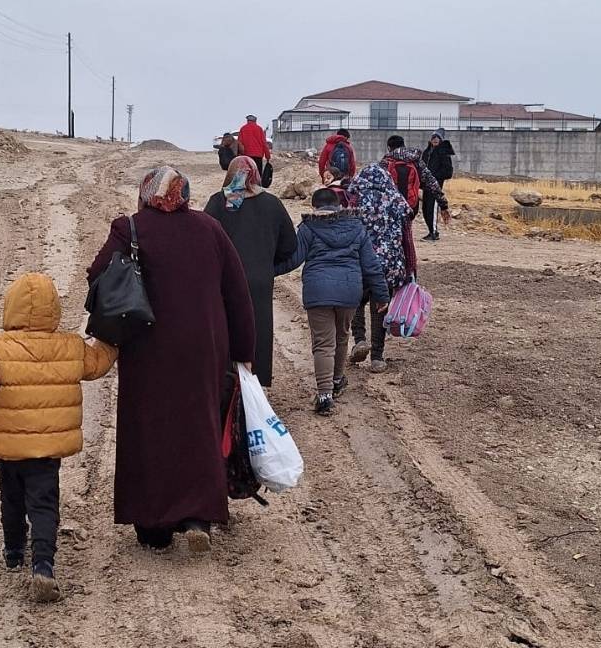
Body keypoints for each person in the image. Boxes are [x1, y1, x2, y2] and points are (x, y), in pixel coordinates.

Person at [86, 167, 255, 552]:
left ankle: (153, 526)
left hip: (147, 346)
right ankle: (198, 517)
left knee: (150, 429)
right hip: (204, 347)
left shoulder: (129, 227)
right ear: (186, 194)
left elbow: (97, 274)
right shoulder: (210, 229)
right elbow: (237, 293)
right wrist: (245, 353)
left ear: (146, 193)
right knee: (199, 425)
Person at [0, 272, 117, 603]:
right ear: (54, 311)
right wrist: (113, 338)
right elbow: (99, 364)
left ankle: (14, 551)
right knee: (44, 505)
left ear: (11, 308)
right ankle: (43, 565)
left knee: (12, 499)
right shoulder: (70, 347)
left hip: (10, 450)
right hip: (46, 453)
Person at [275, 188, 389, 415]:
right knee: (341, 337)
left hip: (318, 292)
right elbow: (371, 265)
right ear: (339, 205)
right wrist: (381, 295)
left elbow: (293, 260)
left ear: (315, 207)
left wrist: (264, 270)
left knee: (323, 343)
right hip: (349, 292)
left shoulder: (308, 228)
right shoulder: (357, 227)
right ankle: (337, 380)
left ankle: (325, 395)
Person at [204, 156, 298, 387]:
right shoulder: (272, 203)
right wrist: (266, 262)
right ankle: (256, 382)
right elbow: (290, 246)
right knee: (258, 328)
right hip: (259, 280)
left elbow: (203, 242)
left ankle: (226, 381)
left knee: (225, 327)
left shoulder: (219, 202)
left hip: (224, 281)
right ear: (256, 175)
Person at [345, 161, 412, 374]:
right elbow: (407, 238)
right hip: (389, 264)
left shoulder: (353, 200)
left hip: (360, 262)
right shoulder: (397, 201)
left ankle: (359, 340)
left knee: (356, 301)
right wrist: (410, 267)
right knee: (381, 306)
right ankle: (377, 357)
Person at [420, 129, 456, 241]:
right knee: (425, 209)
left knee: (432, 208)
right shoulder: (426, 153)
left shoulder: (443, 154)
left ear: (441, 140)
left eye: (437, 138)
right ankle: (431, 231)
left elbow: (448, 172)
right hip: (426, 186)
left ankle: (434, 233)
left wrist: (433, 176)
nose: (435, 140)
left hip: (436, 187)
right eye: (433, 138)